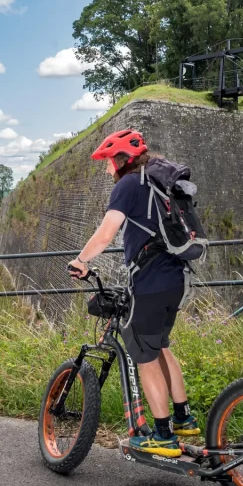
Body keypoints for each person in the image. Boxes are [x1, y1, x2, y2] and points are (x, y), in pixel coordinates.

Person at [67, 128, 199, 458]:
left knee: (145, 357)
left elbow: (107, 231)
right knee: (160, 345)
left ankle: (163, 436)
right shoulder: (154, 184)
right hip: (176, 278)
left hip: (150, 281)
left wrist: (82, 260)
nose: (107, 168)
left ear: (121, 159)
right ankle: (183, 419)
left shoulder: (129, 184)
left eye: (109, 161)